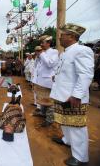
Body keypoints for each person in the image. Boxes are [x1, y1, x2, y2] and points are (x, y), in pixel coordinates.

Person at [50, 23, 94, 166]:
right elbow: (66, 72)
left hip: (73, 97)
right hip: (62, 94)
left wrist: (77, 95)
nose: (60, 37)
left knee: (77, 126)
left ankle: (81, 158)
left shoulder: (82, 50)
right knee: (64, 121)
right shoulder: (65, 52)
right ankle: (67, 141)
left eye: (63, 35)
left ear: (72, 37)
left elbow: (86, 74)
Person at [33, 35, 59, 127]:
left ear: (48, 43)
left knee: (49, 102)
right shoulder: (42, 53)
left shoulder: (54, 52)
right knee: (42, 100)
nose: (41, 44)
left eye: (42, 42)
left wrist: (42, 54)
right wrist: (38, 56)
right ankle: (43, 113)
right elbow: (37, 65)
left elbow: (50, 64)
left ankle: (49, 119)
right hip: (41, 81)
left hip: (48, 82)